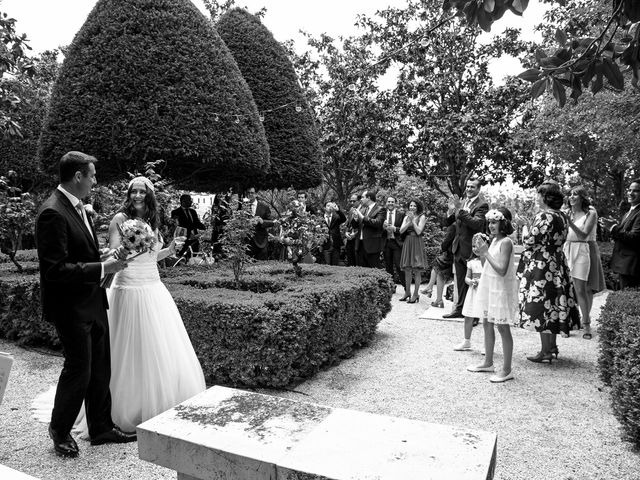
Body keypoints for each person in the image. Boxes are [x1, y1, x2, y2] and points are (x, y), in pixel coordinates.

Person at [35, 151, 134, 457]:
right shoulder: (52, 212)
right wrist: (104, 270)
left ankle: (102, 427)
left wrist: (102, 257)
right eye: (91, 175)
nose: (94, 180)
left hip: (92, 301)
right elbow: (55, 270)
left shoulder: (79, 207)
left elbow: (79, 255)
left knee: (100, 367)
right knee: (79, 369)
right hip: (71, 308)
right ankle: (60, 429)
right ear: (77, 177)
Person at [107, 177, 206, 431]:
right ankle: (128, 405)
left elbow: (152, 257)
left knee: (156, 345)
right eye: (134, 191)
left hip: (153, 287)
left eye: (142, 191)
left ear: (149, 196)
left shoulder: (153, 221)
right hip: (128, 287)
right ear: (128, 194)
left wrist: (170, 250)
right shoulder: (119, 219)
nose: (137, 195)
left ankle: (159, 401)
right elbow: (114, 254)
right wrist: (128, 246)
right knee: (130, 347)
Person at [518, 181, 581, 363]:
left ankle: (545, 351)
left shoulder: (544, 216)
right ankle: (551, 348)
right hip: (558, 264)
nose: (536, 198)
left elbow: (530, 240)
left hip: (543, 265)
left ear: (545, 197)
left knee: (542, 307)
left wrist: (524, 227)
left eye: (538, 194)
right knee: (553, 305)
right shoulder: (561, 216)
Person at [467, 207, 519, 383]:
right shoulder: (494, 241)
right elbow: (487, 265)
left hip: (500, 289)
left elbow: (502, 270)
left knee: (502, 327)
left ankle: (507, 369)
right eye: (489, 222)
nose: (490, 225)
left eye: (494, 222)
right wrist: (481, 253)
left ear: (503, 222)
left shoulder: (506, 242)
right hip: (489, 285)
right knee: (486, 323)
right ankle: (488, 362)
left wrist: (486, 252)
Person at [563, 185, 606, 339]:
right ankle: (568, 322)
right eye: (570, 195)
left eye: (576, 194)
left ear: (582, 197)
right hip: (567, 249)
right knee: (568, 287)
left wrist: (569, 222)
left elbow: (583, 236)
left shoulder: (590, 213)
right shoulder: (567, 212)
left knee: (582, 288)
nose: (572, 197)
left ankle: (586, 324)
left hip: (582, 250)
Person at [444, 177, 489, 319]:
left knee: (474, 282)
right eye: (468, 186)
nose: (469, 189)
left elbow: (477, 224)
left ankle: (474, 315)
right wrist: (451, 212)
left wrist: (459, 210)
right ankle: (459, 309)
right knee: (461, 282)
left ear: (478, 189)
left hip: (472, 249)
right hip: (458, 247)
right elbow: (449, 222)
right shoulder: (463, 202)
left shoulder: (482, 205)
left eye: (472, 187)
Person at [603, 178, 640, 290]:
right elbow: (622, 235)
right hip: (623, 265)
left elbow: (634, 237)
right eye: (629, 190)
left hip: (631, 266)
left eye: (636, 191)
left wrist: (614, 228)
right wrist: (613, 226)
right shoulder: (630, 211)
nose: (630, 193)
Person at [453, 251, 484, 351]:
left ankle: (486, 345)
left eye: (478, 246)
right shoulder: (471, 262)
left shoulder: (488, 261)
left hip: (484, 290)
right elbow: (467, 277)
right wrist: (470, 282)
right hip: (473, 291)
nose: (476, 248)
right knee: (468, 315)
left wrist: (480, 281)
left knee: (485, 317)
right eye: (474, 246)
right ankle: (466, 341)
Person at [399, 199, 427, 303]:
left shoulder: (422, 216)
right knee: (407, 269)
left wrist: (414, 222)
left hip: (417, 242)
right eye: (410, 205)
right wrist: (408, 222)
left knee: (417, 270)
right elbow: (401, 231)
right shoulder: (406, 217)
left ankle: (415, 294)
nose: (412, 207)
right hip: (407, 242)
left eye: (414, 206)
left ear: (418, 207)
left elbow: (419, 231)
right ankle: (407, 292)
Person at [352, 190, 387, 268]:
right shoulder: (363, 209)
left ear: (368, 198)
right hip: (360, 245)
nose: (361, 199)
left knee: (373, 270)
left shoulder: (380, 209)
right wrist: (355, 218)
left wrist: (362, 217)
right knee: (360, 271)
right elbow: (355, 226)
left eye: (363, 197)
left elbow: (377, 223)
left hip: (372, 246)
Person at [171, 194, 206, 259]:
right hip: (183, 238)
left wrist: (204, 228)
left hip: (194, 237)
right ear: (183, 201)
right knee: (181, 256)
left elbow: (197, 222)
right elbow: (176, 226)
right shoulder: (175, 212)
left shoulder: (193, 211)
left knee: (194, 255)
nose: (191, 201)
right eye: (189, 200)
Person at [246, 186, 276, 260]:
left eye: (252, 193)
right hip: (247, 242)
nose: (250, 194)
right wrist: (247, 222)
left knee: (261, 266)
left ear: (256, 194)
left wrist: (262, 221)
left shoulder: (264, 206)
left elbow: (272, 222)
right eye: (248, 193)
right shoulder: (243, 206)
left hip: (261, 241)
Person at [383, 195, 406, 288]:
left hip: (397, 243)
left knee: (399, 265)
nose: (390, 203)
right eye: (389, 201)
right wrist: (383, 227)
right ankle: (391, 287)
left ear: (395, 203)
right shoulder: (382, 213)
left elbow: (405, 229)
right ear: (386, 203)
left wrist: (395, 229)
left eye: (392, 202)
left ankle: (406, 288)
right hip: (386, 242)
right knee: (388, 266)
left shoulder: (401, 214)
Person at [322, 200, 346, 265]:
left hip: (336, 245)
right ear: (324, 208)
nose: (330, 207)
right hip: (326, 245)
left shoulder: (336, 217)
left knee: (335, 265)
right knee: (327, 265)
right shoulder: (320, 218)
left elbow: (344, 219)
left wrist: (338, 210)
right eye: (328, 206)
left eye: (331, 206)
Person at [344, 194, 361, 266]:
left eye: (354, 201)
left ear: (359, 201)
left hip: (358, 239)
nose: (352, 203)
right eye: (350, 201)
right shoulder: (351, 210)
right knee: (350, 260)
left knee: (357, 261)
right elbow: (348, 223)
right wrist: (346, 233)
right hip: (350, 238)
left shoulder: (363, 210)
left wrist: (355, 234)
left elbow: (362, 226)